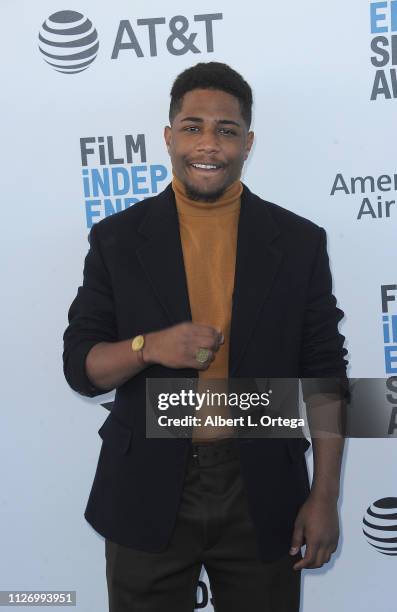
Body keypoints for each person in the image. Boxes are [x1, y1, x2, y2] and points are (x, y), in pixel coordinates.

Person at [63, 62, 348, 612]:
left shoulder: (298, 242)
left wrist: (326, 493)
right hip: (146, 484)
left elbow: (325, 375)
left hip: (263, 487)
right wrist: (149, 348)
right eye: (193, 127)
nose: (209, 144)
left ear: (248, 143)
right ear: (169, 137)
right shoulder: (117, 239)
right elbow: (82, 366)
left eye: (227, 129)